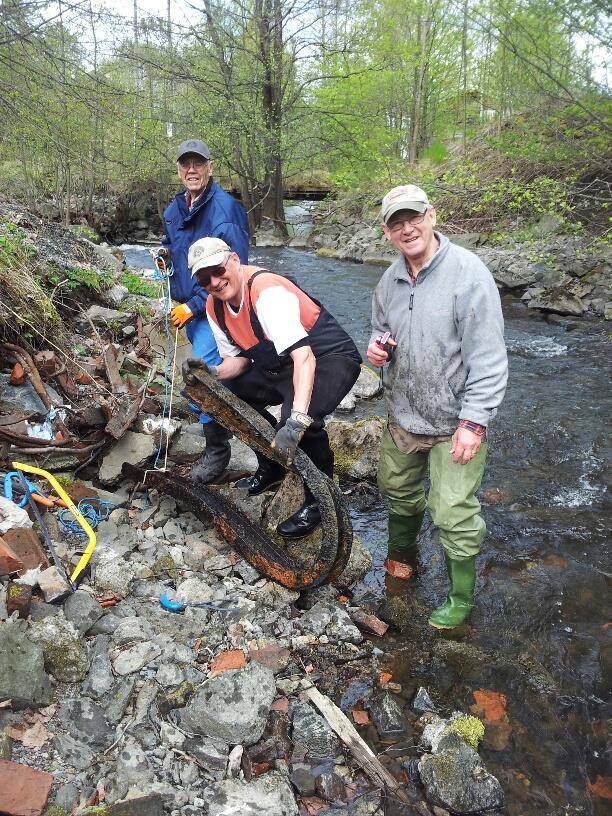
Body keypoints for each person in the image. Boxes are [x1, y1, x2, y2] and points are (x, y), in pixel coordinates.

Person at [367, 184, 508, 628]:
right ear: (387, 232)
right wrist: (377, 351)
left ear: (431, 216)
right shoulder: (388, 281)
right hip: (404, 417)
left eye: (413, 217)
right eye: (396, 222)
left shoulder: (468, 273)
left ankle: (460, 598)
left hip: (454, 424)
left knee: (452, 512)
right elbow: (378, 330)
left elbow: (488, 357)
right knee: (399, 494)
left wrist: (474, 422)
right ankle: (402, 560)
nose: (407, 228)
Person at [187, 236, 362, 538]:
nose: (215, 281)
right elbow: (239, 361)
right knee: (228, 392)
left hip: (327, 358)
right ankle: (272, 467)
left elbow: (304, 357)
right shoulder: (214, 308)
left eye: (218, 270)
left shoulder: (267, 294)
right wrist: (212, 373)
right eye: (205, 279)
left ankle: (321, 501)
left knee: (302, 422)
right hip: (279, 364)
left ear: (234, 261)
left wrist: (296, 420)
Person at [162, 139, 250, 483]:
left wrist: (194, 305)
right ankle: (224, 436)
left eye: (198, 164)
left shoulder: (225, 209)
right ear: (179, 170)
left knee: (204, 375)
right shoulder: (175, 210)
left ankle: (218, 451)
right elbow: (174, 245)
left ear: (210, 167)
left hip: (215, 310)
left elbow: (232, 272)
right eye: (186, 165)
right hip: (189, 310)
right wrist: (164, 253)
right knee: (203, 374)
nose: (192, 170)